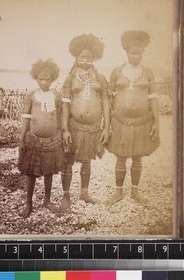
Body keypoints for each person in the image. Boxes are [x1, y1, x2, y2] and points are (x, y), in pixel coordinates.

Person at [106, 31, 160, 205]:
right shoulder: (116, 71)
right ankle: (118, 192)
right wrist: (108, 124)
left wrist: (157, 123)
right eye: (132, 52)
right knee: (121, 156)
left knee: (137, 157)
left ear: (143, 52)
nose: (136, 56)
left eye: (139, 52)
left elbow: (153, 98)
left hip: (142, 122)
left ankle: (135, 192)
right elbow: (110, 98)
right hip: (120, 122)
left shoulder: (149, 72)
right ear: (126, 52)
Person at [60, 33, 110, 213]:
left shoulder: (101, 79)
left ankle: (84, 193)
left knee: (87, 161)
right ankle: (66, 195)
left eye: (89, 57)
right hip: (73, 127)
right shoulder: (70, 79)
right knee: (68, 160)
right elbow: (65, 106)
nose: (86, 60)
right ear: (76, 57)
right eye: (82, 57)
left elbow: (105, 102)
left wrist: (106, 127)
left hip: (93, 128)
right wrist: (64, 129)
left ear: (94, 58)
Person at [18, 59, 63, 217]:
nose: (44, 82)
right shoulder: (31, 95)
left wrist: (61, 134)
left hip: (51, 141)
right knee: (30, 172)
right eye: (41, 79)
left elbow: (60, 115)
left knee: (49, 171)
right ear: (36, 78)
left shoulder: (57, 95)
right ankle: (29, 203)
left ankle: (47, 200)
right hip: (34, 140)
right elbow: (25, 117)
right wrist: (22, 138)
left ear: (53, 79)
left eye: (48, 79)